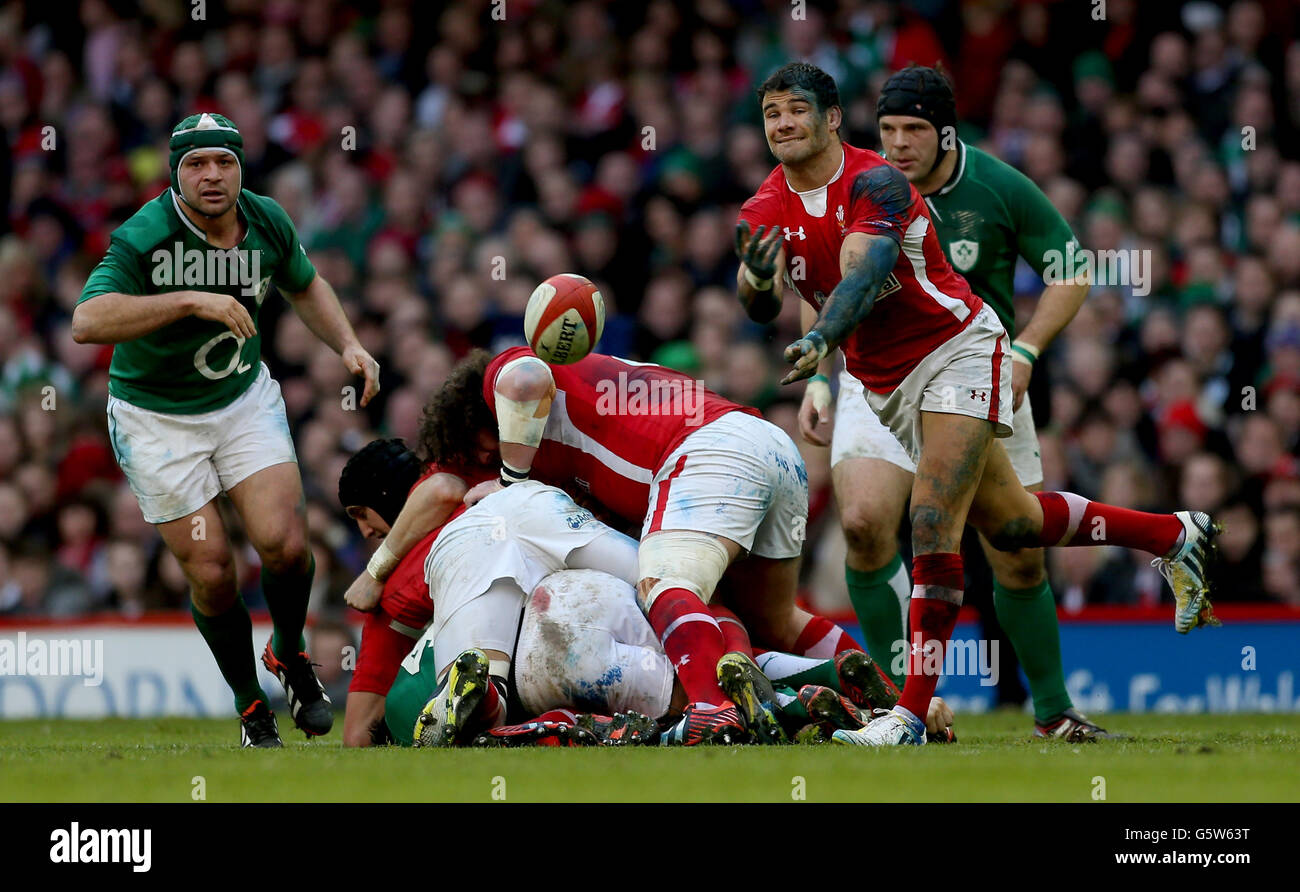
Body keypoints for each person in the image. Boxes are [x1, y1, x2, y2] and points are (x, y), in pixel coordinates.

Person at [735, 62, 1218, 746]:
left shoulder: (878, 183)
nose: (783, 124)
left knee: (933, 520)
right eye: (771, 113)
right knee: (1014, 523)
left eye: (796, 111)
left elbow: (863, 274)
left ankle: (908, 716)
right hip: (880, 381)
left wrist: (821, 339)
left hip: (958, 350)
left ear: (832, 118)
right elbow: (760, 300)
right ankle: (1175, 535)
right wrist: (759, 282)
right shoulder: (763, 206)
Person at [801, 65, 1103, 739]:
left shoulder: (996, 186)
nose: (898, 144)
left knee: (1017, 545)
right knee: (864, 524)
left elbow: (1072, 269)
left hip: (978, 371)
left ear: (946, 133)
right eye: (887, 129)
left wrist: (1027, 350)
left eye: (913, 129)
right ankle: (895, 707)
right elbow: (820, 287)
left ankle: (1053, 712)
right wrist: (821, 378)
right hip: (877, 379)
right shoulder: (856, 185)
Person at [73, 113, 381, 747]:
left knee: (286, 546)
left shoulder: (267, 220)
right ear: (175, 174)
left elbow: (305, 285)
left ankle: (289, 653)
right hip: (156, 419)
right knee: (213, 571)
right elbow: (87, 320)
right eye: (195, 164)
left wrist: (348, 344)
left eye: (224, 162)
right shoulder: (146, 234)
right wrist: (191, 299)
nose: (211, 175)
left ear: (241, 168)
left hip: (241, 402)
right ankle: (250, 705)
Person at [419, 347, 873, 745]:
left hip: (705, 449)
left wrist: (508, 481)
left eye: (485, 452)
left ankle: (712, 708)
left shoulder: (509, 378)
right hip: (769, 445)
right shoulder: (573, 455)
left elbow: (524, 380)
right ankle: (879, 701)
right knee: (773, 621)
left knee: (663, 583)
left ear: (488, 417)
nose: (489, 461)